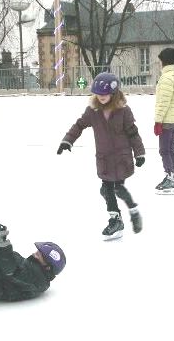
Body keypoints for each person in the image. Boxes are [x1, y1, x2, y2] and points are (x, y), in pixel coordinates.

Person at [56, 73, 145, 240]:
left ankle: (133, 211)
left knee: (117, 188)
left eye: (105, 94)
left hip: (121, 158)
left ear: (114, 93)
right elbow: (79, 125)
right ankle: (115, 219)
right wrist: (67, 141)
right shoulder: (93, 111)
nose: (102, 97)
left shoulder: (123, 111)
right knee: (106, 189)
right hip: (104, 159)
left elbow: (133, 134)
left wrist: (139, 153)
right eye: (99, 93)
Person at [154, 47, 174, 194]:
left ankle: (170, 177)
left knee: (164, 150)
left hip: (167, 120)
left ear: (163, 61)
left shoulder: (166, 78)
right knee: (170, 149)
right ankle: (172, 175)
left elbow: (163, 102)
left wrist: (158, 121)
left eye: (159, 60)